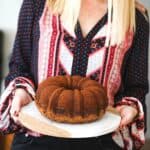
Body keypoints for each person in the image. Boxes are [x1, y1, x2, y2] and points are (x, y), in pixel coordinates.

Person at [0, 0, 149, 149]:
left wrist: (130, 107)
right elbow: (19, 65)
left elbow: (136, 87)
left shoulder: (135, 20)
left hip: (101, 142)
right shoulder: (37, 5)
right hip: (35, 139)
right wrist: (21, 92)